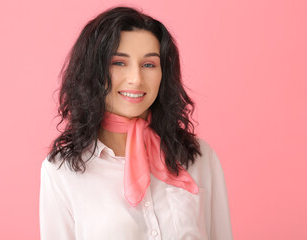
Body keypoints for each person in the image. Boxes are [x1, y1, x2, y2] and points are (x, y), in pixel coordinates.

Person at [39, 6, 233, 240]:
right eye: (119, 63)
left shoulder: (200, 157)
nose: (136, 79)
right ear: (94, 71)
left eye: (149, 64)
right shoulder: (61, 172)